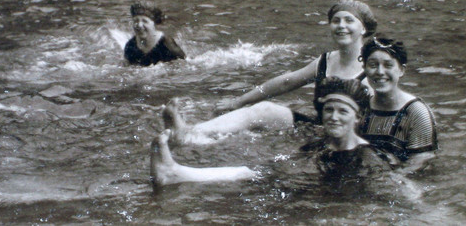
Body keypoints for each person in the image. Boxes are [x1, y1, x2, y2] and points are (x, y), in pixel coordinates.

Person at [163, 0, 376, 143]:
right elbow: (285, 82)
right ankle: (189, 133)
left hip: (351, 139)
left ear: (364, 28)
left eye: (349, 20)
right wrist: (238, 102)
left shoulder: (374, 67)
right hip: (321, 129)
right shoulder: (326, 60)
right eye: (336, 20)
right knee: (263, 110)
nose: (341, 26)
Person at [150, 77, 390, 186]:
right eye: (328, 110)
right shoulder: (319, 144)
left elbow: (393, 185)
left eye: (342, 112)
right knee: (249, 172)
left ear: (358, 118)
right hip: (307, 185)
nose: (333, 117)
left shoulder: (367, 157)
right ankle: (174, 170)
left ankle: (174, 173)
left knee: (249, 174)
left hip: (324, 199)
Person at [359, 37, 438, 173]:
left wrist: (386, 178)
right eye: (373, 65)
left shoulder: (416, 112)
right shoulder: (360, 107)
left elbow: (422, 160)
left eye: (388, 65)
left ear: (401, 70)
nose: (380, 72)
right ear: (364, 69)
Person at [124, 1, 186, 66]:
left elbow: (184, 65)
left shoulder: (168, 45)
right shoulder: (130, 46)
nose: (139, 25)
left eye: (145, 21)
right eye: (136, 21)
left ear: (154, 24)